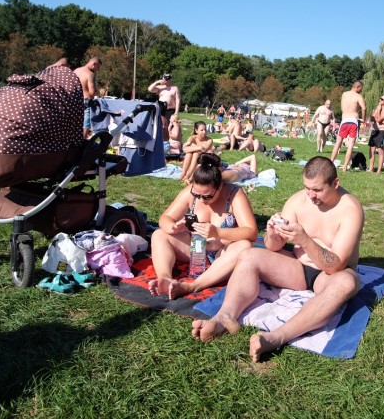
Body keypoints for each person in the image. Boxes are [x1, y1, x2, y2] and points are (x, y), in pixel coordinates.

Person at [191, 156, 364, 363]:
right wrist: (273, 233)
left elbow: (336, 266)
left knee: (346, 282)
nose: (311, 195)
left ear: (335, 184)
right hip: (298, 267)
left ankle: (276, 337)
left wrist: (306, 240)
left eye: (317, 190)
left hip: (328, 276)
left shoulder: (349, 210)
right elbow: (274, 248)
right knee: (249, 255)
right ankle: (224, 317)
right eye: (307, 188)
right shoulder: (298, 200)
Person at [149, 153, 257, 300]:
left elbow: (251, 232)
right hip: (195, 249)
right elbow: (165, 218)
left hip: (222, 255)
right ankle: (165, 278)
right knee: (159, 235)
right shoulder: (191, 193)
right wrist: (172, 228)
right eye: (197, 194)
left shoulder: (235, 195)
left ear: (219, 187)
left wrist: (217, 232)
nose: (201, 199)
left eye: (207, 196)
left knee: (244, 246)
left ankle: (193, 286)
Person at [329, 81, 366, 172]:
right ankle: (345, 167)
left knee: (338, 143)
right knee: (351, 145)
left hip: (344, 120)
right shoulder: (358, 96)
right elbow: (364, 108)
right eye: (361, 88)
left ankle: (330, 163)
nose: (361, 90)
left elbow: (343, 107)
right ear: (358, 87)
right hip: (353, 120)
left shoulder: (344, 94)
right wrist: (363, 119)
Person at [74, 57, 102, 139]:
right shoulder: (90, 74)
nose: (98, 70)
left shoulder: (76, 70)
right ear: (94, 64)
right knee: (85, 124)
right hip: (86, 101)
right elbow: (92, 92)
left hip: (75, 99)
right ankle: (82, 142)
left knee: (75, 122)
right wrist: (99, 94)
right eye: (98, 67)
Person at [148, 73, 181, 141]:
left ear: (170, 79)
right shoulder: (160, 87)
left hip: (170, 110)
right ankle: (159, 140)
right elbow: (150, 89)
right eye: (165, 79)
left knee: (169, 127)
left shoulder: (174, 88)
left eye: (168, 79)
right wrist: (157, 82)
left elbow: (178, 100)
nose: (166, 80)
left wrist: (176, 113)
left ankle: (168, 142)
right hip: (160, 109)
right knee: (159, 126)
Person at [367, 94, 384, 174]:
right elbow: (372, 118)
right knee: (372, 150)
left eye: (382, 99)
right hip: (374, 131)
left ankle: (379, 170)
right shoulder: (378, 108)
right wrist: (376, 116)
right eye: (380, 98)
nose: (380, 100)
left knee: (380, 150)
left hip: (382, 132)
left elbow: (379, 119)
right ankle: (371, 168)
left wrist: (378, 110)